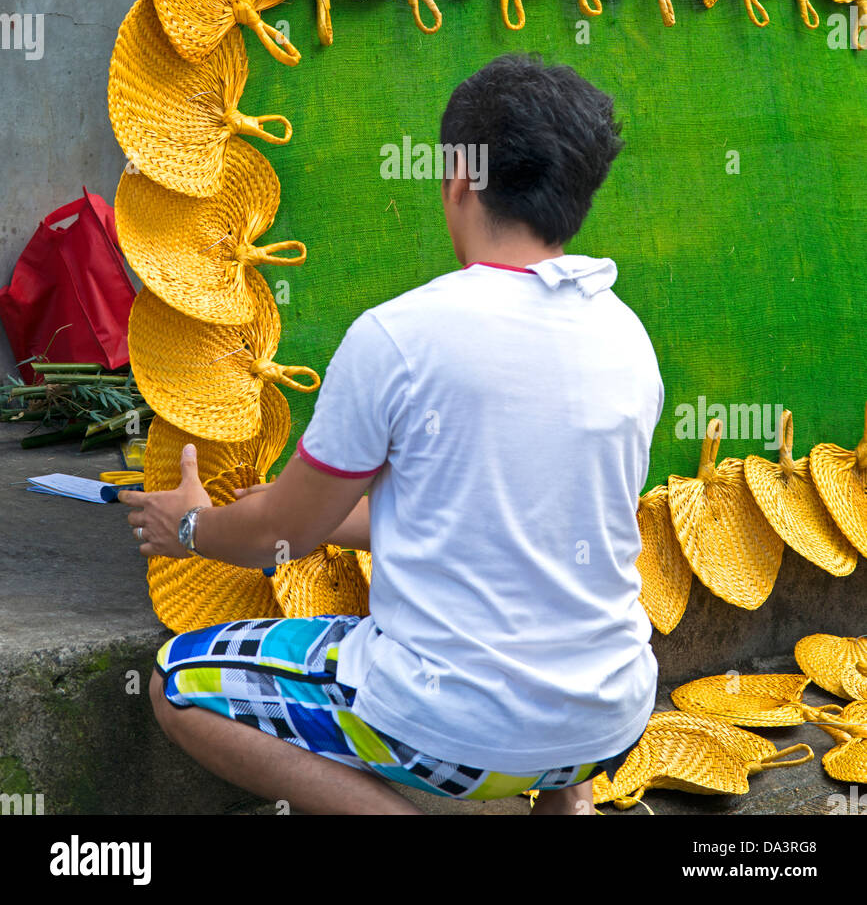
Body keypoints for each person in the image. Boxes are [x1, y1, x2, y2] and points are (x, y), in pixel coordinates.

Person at [121, 53, 664, 816]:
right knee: (546, 612)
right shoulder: (624, 334)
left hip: (449, 726)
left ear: (461, 182)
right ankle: (565, 804)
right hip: (612, 718)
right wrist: (307, 509)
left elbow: (279, 538)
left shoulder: (400, 335)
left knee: (178, 682)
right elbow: (507, 525)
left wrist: (187, 524)